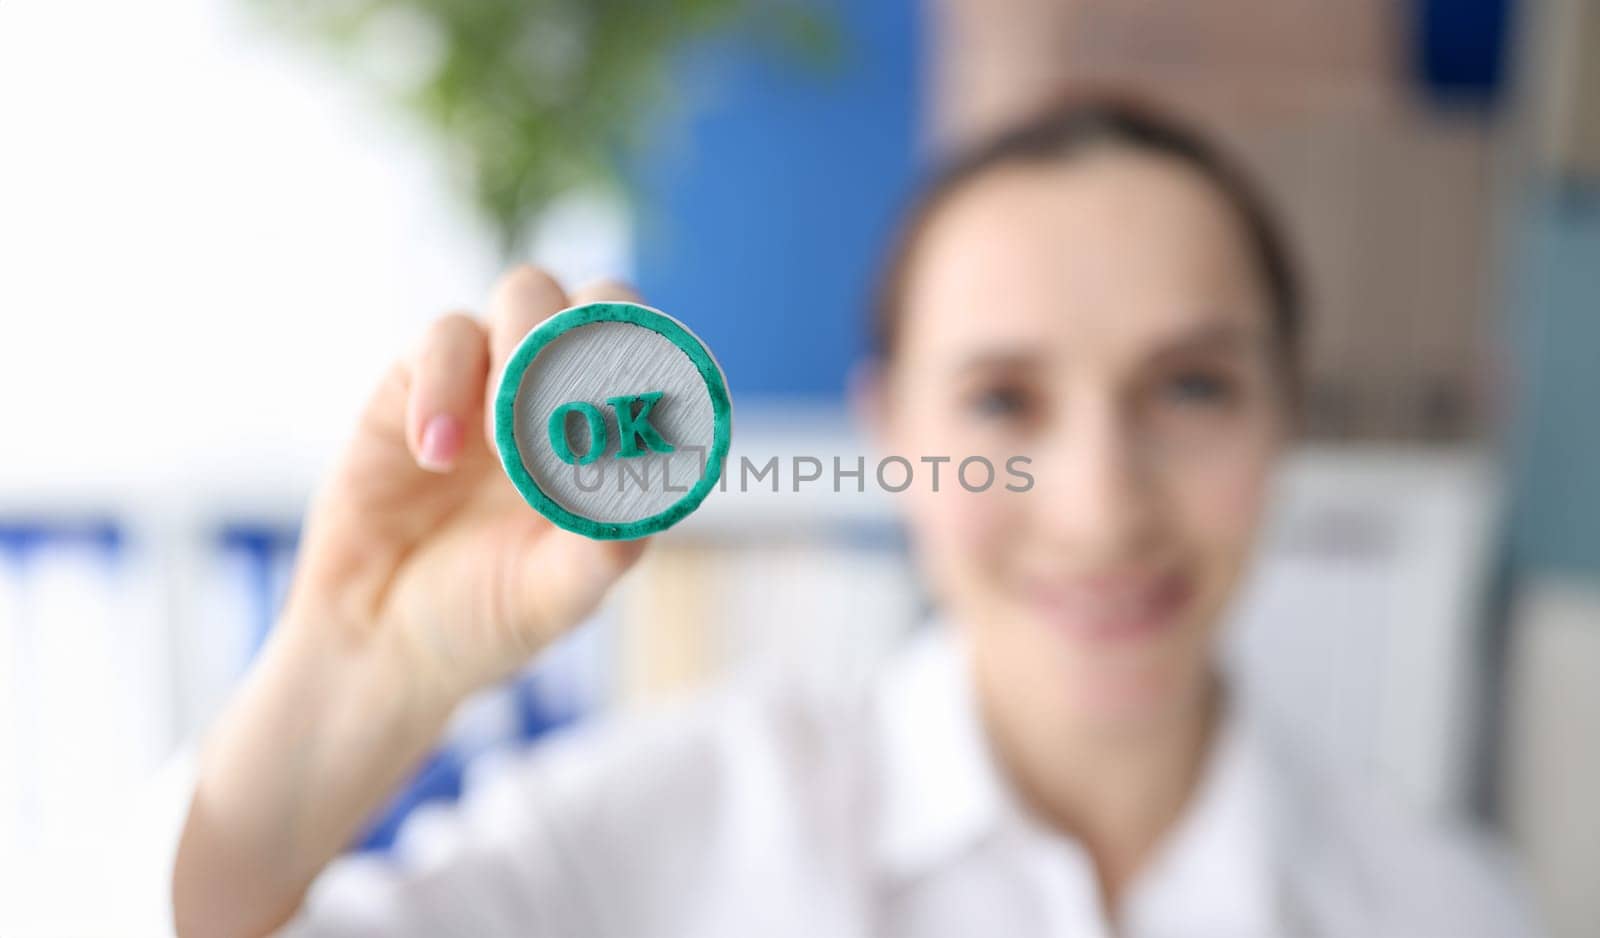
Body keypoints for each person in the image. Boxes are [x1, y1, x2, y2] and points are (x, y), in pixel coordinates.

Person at [156, 93, 1536, 937]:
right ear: (893, 435)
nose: (1103, 505)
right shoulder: (667, 825)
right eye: (1002, 400)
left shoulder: (1454, 912)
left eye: (1192, 387)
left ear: (1286, 412)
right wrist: (351, 666)